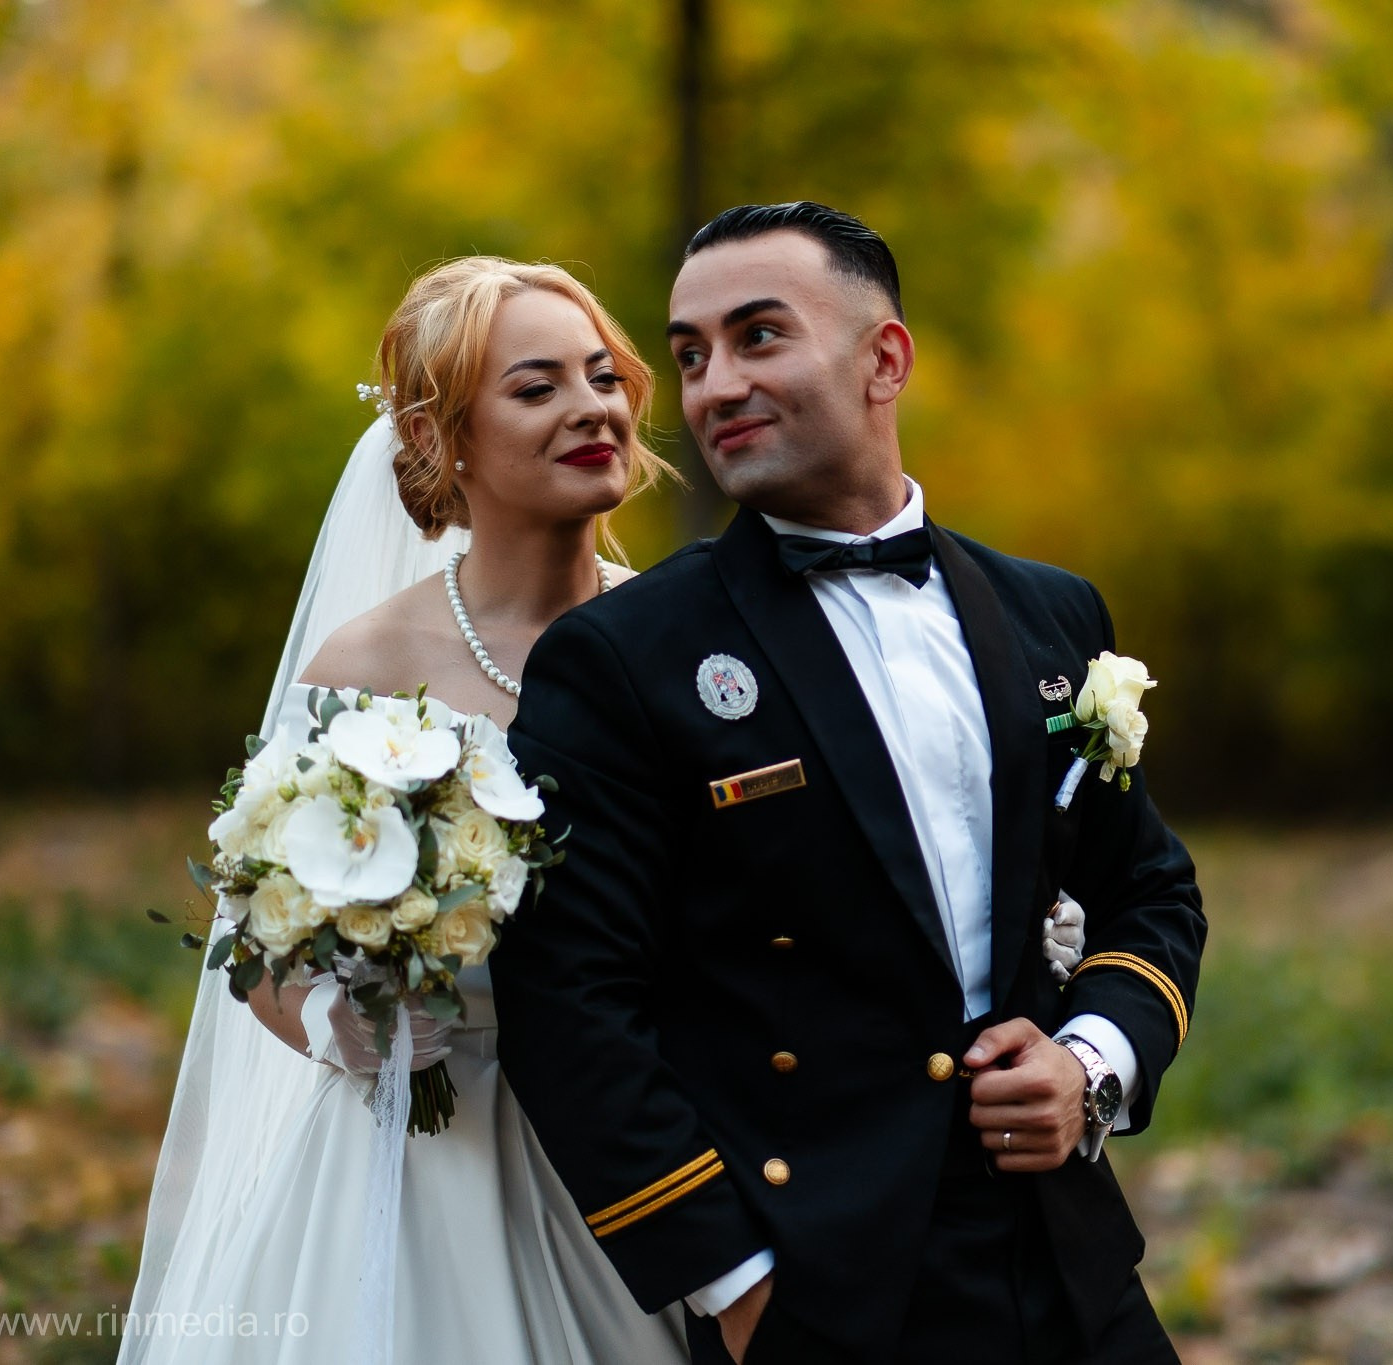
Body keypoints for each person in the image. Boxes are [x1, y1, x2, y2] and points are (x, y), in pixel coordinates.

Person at [493, 202, 1206, 1365]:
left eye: (758, 336)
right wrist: (731, 1286)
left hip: (1065, 1256)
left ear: (885, 360)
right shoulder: (623, 657)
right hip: (815, 1280)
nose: (713, 385)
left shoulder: (1050, 613)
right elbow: (565, 1000)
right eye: (688, 355)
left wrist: (1087, 1066)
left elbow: (1148, 892)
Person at [121, 257, 689, 1364]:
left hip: (642, 1152)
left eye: (602, 377)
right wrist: (339, 1027)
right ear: (445, 440)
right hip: (424, 1153)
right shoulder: (367, 664)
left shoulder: (684, 639)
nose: (592, 408)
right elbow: (261, 926)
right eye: (536, 388)